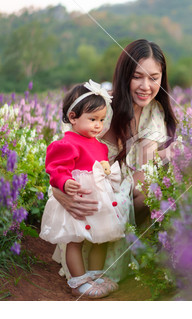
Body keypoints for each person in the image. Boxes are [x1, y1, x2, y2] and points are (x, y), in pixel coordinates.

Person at [51, 40, 178, 285]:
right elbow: (64, 155)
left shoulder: (155, 112)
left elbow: (145, 162)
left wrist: (174, 155)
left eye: (154, 77)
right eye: (137, 77)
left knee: (158, 181)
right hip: (88, 191)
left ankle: (148, 249)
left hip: (120, 193)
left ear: (162, 78)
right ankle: (86, 268)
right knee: (145, 182)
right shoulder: (102, 109)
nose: (145, 86)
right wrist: (58, 190)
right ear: (124, 75)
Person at [40, 80, 125, 298]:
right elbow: (56, 168)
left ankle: (96, 275)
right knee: (75, 240)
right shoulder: (67, 143)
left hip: (99, 199)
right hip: (79, 198)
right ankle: (78, 281)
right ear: (73, 117)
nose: (98, 125)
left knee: (101, 237)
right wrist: (64, 181)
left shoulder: (100, 145)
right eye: (93, 119)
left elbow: (101, 168)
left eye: (102, 120)